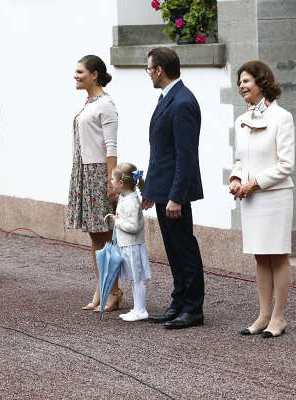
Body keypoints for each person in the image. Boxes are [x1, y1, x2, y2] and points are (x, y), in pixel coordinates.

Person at [229, 60, 295, 338]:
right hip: (251, 198)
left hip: (275, 196)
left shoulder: (282, 117)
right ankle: (263, 315)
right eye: (239, 82)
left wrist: (254, 183)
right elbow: (240, 159)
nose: (241, 86)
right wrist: (236, 178)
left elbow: (286, 164)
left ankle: (279, 317)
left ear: (261, 82)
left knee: (277, 255)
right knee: (260, 256)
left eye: (246, 81)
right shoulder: (241, 119)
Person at [142, 47, 205, 330]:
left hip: (175, 194)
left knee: (184, 249)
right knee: (173, 250)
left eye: (149, 68)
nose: (148, 74)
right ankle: (179, 303)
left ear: (159, 70)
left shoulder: (182, 102)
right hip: (164, 189)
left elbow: (186, 155)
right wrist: (150, 190)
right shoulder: (169, 97)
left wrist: (176, 197)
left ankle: (192, 308)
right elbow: (160, 151)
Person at [66, 55, 122, 311]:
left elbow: (111, 146)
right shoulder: (88, 103)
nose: (76, 76)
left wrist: (112, 180)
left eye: (80, 72)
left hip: (98, 173)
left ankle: (113, 290)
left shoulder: (106, 104)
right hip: (84, 171)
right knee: (95, 235)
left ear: (94, 74)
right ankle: (101, 287)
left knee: (105, 236)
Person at [108, 163, 152, 322]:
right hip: (126, 245)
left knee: (137, 278)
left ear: (120, 182)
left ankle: (141, 310)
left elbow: (134, 227)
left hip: (132, 246)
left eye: (112, 179)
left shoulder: (132, 202)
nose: (110, 181)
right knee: (134, 278)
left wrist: (117, 222)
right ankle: (137, 308)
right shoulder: (124, 198)